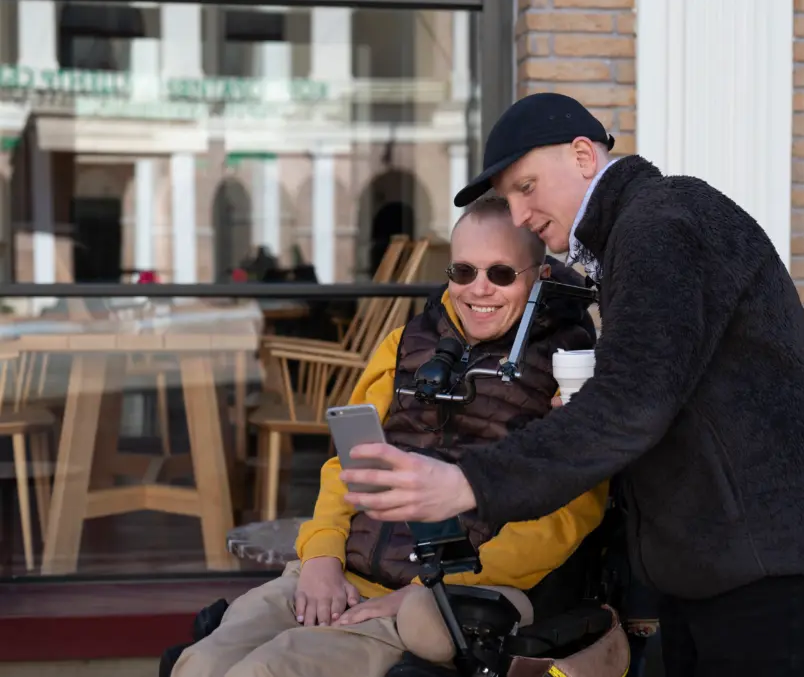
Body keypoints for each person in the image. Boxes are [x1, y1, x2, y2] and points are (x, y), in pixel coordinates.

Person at [340, 92, 804, 676]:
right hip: (726, 562)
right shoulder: (645, 228)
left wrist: (469, 483)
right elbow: (659, 392)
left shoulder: (658, 226)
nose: (518, 216)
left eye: (526, 187)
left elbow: (632, 405)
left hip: (761, 567)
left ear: (584, 156)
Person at [171, 195, 606, 677]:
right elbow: (346, 464)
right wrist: (319, 557)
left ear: (538, 276)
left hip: (435, 600)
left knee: (265, 672)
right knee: (199, 664)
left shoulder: (570, 371)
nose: (479, 290)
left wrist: (421, 595)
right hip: (337, 574)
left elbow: (564, 520)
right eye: (464, 272)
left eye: (501, 274)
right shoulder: (404, 345)